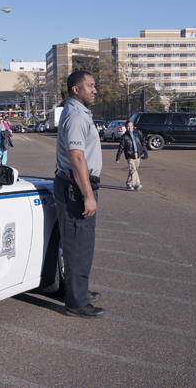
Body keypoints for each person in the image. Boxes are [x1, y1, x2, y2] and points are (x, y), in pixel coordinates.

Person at [54, 70, 105, 319]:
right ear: (76, 89)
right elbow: (76, 157)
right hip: (76, 188)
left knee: (80, 244)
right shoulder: (76, 115)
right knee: (78, 245)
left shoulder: (78, 112)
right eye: (90, 85)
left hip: (76, 185)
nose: (95, 90)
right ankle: (76, 302)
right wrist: (88, 195)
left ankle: (78, 290)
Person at [115, 121, 148, 191]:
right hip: (129, 155)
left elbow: (143, 140)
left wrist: (143, 149)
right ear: (126, 127)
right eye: (128, 126)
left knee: (134, 170)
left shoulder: (138, 132)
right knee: (133, 169)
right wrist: (118, 157)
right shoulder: (124, 136)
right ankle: (137, 184)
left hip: (137, 154)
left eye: (131, 126)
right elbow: (121, 147)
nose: (129, 128)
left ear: (133, 126)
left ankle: (128, 184)